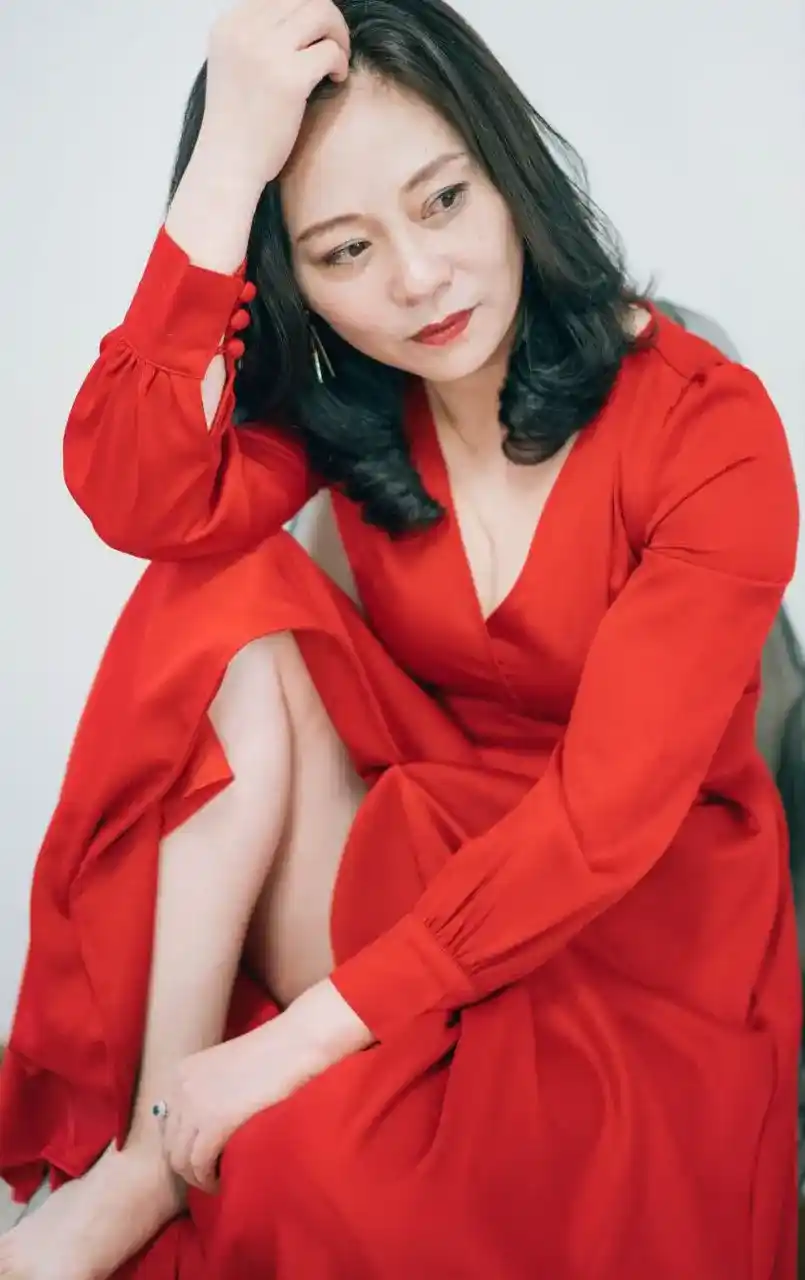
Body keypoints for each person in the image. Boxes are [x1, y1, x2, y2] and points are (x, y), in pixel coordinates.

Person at [0, 0, 800, 1275]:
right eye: (345, 249)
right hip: (435, 854)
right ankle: (152, 1147)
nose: (419, 279)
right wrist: (225, 164)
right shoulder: (362, 406)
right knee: (212, 586)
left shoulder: (710, 427)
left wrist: (301, 1033)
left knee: (311, 1175)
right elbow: (139, 498)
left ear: (509, 171)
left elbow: (603, 818)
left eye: (443, 201)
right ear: (298, 282)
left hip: (643, 926)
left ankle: (230, 1115)